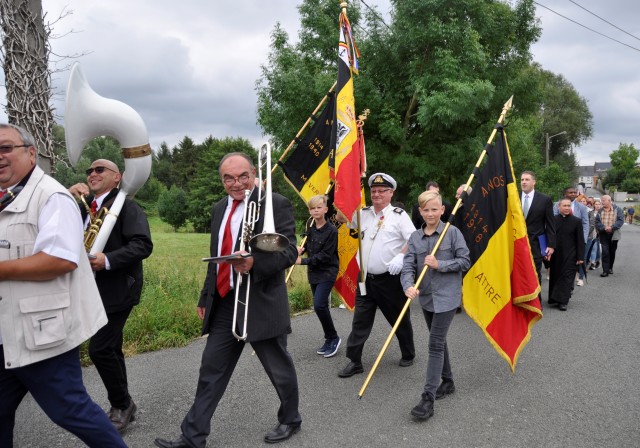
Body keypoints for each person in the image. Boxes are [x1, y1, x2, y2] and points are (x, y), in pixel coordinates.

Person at [154, 152, 301, 448]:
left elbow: (290, 252)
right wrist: (205, 296)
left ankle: (290, 418)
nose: (237, 184)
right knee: (211, 369)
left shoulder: (275, 203)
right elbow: (216, 258)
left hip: (261, 300)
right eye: (229, 178)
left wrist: (255, 263)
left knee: (278, 368)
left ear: (253, 173)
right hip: (224, 301)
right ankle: (192, 436)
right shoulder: (219, 208)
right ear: (221, 179)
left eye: (243, 176)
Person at [0, 124, 127, 447]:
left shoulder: (51, 196)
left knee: (71, 411)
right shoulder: (9, 196)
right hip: (8, 332)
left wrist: (107, 260)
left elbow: (61, 260)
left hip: (41, 332)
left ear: (31, 153)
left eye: (5, 148)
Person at [68, 159, 153, 432]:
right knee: (112, 347)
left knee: (100, 348)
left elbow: (143, 244)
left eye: (99, 169)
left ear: (117, 177)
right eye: (89, 170)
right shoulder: (83, 205)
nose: (92, 174)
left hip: (118, 289)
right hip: (89, 287)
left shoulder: (126, 206)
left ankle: (121, 404)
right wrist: (65, 199)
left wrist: (107, 259)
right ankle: (125, 403)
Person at [337, 172, 416, 378]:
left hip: (389, 279)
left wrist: (401, 256)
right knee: (360, 321)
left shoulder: (399, 215)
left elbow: (414, 239)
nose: (377, 194)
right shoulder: (362, 213)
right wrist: (342, 197)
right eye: (374, 191)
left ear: (391, 193)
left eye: (382, 191)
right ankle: (354, 361)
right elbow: (341, 218)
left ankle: (408, 352)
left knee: (398, 318)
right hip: (365, 279)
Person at [401, 190, 470, 421]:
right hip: (427, 299)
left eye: (434, 209)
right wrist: (408, 285)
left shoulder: (452, 233)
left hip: (448, 298)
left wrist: (440, 263)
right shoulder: (415, 238)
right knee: (438, 340)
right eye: (426, 210)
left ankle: (427, 398)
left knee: (434, 344)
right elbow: (408, 265)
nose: (430, 214)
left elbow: (465, 261)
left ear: (442, 210)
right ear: (420, 212)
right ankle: (448, 381)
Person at [295, 194, 341, 358]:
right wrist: (300, 249)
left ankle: (334, 337)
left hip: (327, 271)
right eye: (312, 208)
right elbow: (307, 245)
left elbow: (325, 256)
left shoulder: (332, 231)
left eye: (319, 207)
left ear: (326, 210)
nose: (315, 211)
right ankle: (329, 338)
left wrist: (303, 261)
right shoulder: (310, 227)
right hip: (314, 272)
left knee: (319, 305)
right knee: (320, 307)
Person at [519, 171, 555, 304]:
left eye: (527, 179)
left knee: (534, 273)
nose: (523, 182)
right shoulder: (513, 197)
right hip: (516, 244)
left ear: (534, 182)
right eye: (522, 179)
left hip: (535, 244)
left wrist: (551, 245)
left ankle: (535, 301)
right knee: (518, 273)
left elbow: (550, 224)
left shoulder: (544, 200)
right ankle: (520, 300)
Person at [548, 199, 584, 311]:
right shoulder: (553, 220)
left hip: (571, 254)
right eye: (564, 206)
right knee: (556, 275)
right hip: (556, 254)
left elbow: (580, 240)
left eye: (569, 206)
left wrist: (580, 257)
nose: (567, 208)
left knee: (567, 277)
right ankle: (554, 299)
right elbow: (548, 236)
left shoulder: (576, 221)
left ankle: (563, 301)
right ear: (559, 207)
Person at [595, 195, 624, 277]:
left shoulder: (618, 210)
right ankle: (605, 270)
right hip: (603, 233)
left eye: (603, 200)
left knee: (612, 252)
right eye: (602, 200)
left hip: (614, 234)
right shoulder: (600, 211)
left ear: (609, 200)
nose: (602, 202)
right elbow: (597, 222)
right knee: (605, 252)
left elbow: (620, 220)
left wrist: (612, 227)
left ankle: (610, 267)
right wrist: (604, 228)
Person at [575, 194, 594, 287]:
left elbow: (591, 224)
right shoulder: (575, 211)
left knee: (583, 257)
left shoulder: (590, 211)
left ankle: (581, 277)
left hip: (587, 237)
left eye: (584, 201)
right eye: (581, 201)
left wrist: (583, 236)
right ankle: (576, 274)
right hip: (575, 237)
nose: (583, 203)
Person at [588, 198, 602, 270]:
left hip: (599, 233)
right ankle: (592, 263)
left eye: (599, 204)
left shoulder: (602, 213)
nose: (598, 206)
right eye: (596, 204)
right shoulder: (590, 213)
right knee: (592, 248)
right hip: (591, 233)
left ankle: (595, 261)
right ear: (593, 205)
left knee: (596, 249)